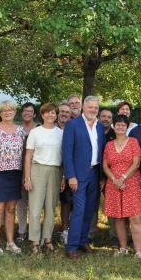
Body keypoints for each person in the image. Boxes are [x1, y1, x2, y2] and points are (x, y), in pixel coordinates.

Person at [62, 96, 105, 260]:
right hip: (78, 176)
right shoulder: (73, 125)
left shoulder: (100, 127)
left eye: (96, 108)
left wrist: (101, 177)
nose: (93, 110)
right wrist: (70, 176)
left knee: (89, 210)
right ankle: (71, 247)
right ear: (83, 107)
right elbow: (67, 152)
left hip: (95, 174)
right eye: (90, 107)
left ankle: (82, 242)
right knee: (79, 210)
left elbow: (100, 150)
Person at [102, 114, 141, 261]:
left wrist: (123, 178)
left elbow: (136, 164)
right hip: (114, 184)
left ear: (127, 126)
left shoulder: (133, 142)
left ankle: (138, 251)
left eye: (123, 124)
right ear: (114, 126)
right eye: (118, 124)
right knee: (119, 218)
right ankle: (123, 248)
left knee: (135, 217)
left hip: (131, 183)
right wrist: (115, 179)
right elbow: (105, 165)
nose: (120, 126)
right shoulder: (109, 145)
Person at [0, 100, 27, 254]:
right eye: (4, 110)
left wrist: (24, 177)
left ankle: (10, 242)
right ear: (0, 113)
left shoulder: (21, 131)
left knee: (10, 209)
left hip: (15, 174)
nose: (7, 112)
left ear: (15, 112)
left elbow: (23, 156)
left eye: (10, 110)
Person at [23, 103, 63, 254]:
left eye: (53, 113)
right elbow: (28, 156)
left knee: (50, 208)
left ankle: (48, 239)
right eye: (47, 113)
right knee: (35, 207)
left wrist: (64, 176)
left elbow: (64, 156)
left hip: (55, 170)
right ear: (42, 114)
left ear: (56, 115)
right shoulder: (35, 132)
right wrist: (27, 178)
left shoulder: (61, 133)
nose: (50, 115)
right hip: (37, 169)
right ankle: (35, 241)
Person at [89, 108, 118, 247]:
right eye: (103, 116)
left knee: (112, 206)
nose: (106, 119)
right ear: (98, 117)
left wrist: (108, 178)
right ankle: (89, 235)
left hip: (112, 176)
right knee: (92, 206)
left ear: (112, 121)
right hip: (94, 174)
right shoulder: (93, 132)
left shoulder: (116, 134)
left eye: (109, 117)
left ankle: (114, 236)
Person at [16, 102, 40, 243]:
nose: (27, 113)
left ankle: (35, 231)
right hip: (19, 170)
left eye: (30, 111)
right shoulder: (17, 129)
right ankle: (21, 231)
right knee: (21, 202)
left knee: (36, 203)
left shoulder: (39, 129)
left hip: (37, 170)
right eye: (25, 111)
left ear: (35, 114)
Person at [55, 102, 71, 242]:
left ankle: (66, 231)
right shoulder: (50, 127)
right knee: (50, 201)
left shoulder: (72, 128)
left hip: (68, 169)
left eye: (67, 112)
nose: (64, 114)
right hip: (52, 168)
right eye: (62, 111)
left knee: (66, 200)